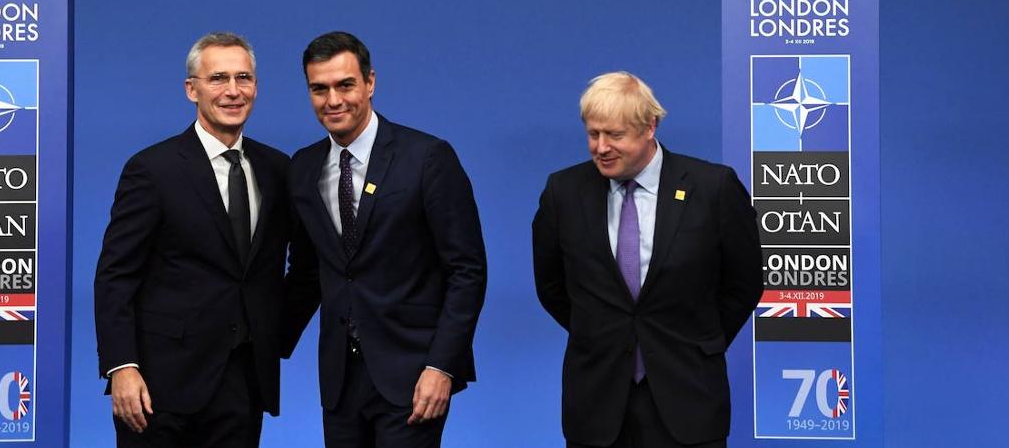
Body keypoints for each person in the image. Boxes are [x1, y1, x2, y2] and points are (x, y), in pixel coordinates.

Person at [532, 72, 762, 448]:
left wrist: (695, 340)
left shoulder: (713, 188)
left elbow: (744, 283)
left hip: (688, 397)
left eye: (615, 135)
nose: (601, 147)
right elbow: (551, 285)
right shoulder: (564, 192)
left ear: (649, 127)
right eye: (593, 134)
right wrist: (603, 333)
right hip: (595, 403)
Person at [282, 31, 488, 448]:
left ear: (370, 82)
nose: (333, 100)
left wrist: (442, 367)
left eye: (345, 85)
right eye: (319, 89)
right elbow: (307, 273)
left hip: (413, 375)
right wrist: (257, 345)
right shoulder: (303, 168)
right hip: (340, 381)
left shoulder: (427, 158)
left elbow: (467, 270)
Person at [93, 32, 291, 447]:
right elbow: (115, 276)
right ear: (191, 90)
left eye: (243, 78)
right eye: (218, 78)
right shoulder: (153, 169)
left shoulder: (277, 169)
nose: (233, 91)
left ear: (256, 87)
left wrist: (274, 334)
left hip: (243, 385)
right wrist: (121, 366)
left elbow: (295, 266)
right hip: (159, 387)